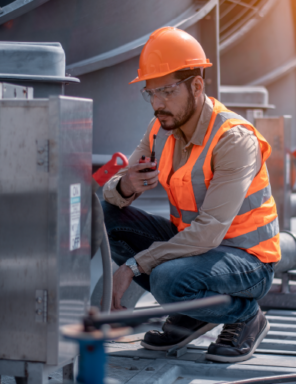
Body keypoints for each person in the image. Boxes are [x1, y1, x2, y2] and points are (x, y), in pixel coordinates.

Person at [101, 26, 280, 363]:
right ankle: (194, 312)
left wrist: (133, 266)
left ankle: (246, 316)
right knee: (106, 218)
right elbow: (113, 192)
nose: (157, 104)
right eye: (150, 93)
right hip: (195, 250)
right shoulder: (161, 128)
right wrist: (126, 187)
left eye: (166, 91)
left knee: (168, 278)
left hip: (247, 261)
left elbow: (210, 231)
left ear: (197, 85)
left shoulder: (233, 139)